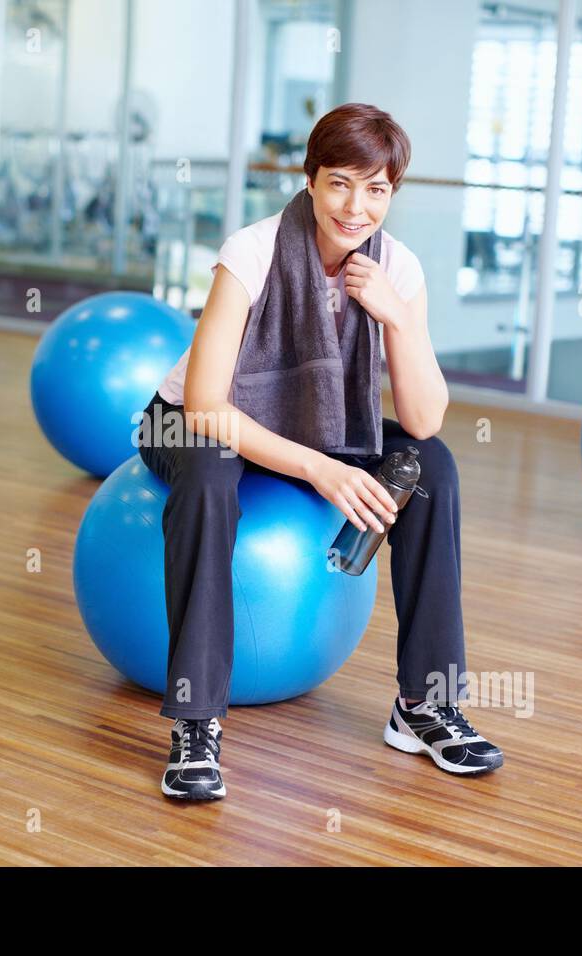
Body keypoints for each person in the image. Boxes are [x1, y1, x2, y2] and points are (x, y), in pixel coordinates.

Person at [137, 103, 503, 801]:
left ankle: (423, 705)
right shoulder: (253, 251)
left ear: (392, 193)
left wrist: (397, 316)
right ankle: (196, 721)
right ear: (310, 180)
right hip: (185, 422)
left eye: (376, 189)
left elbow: (424, 420)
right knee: (213, 475)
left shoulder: (397, 266)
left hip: (322, 427)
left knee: (434, 469)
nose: (356, 207)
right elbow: (210, 406)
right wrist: (320, 468)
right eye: (339, 183)